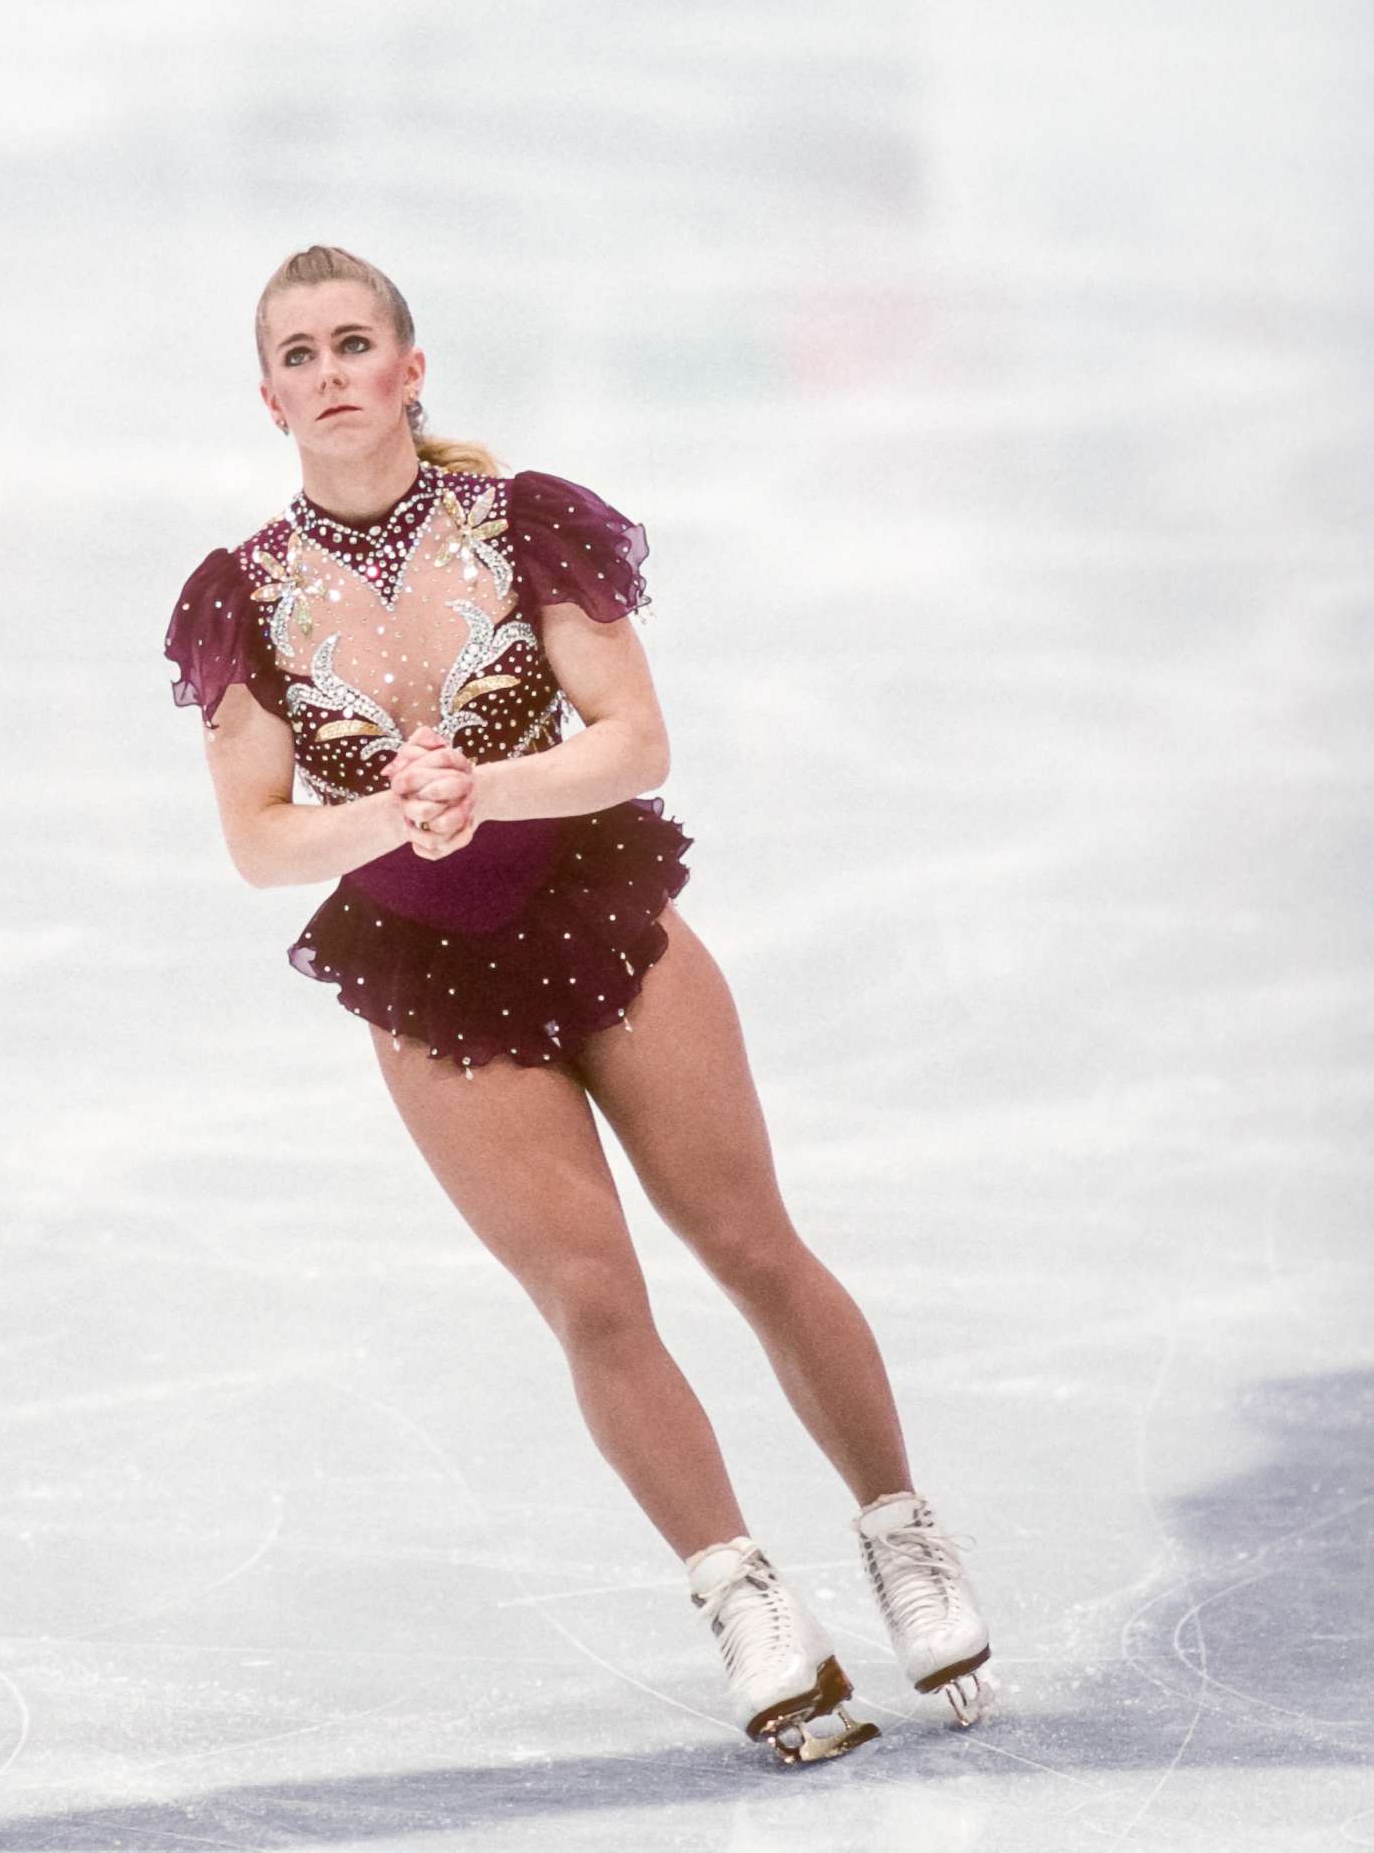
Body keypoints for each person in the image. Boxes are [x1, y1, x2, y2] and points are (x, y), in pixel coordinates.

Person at [164, 242, 991, 1764]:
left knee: (747, 1241)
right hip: (430, 982)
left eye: (358, 343)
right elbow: (259, 841)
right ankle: (744, 1596)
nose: (333, 371)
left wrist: (484, 787)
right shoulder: (241, 601)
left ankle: (902, 1532)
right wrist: (386, 820)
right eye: (301, 354)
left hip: (601, 919)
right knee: (592, 1295)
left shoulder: (521, 524)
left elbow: (635, 740)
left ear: (413, 372)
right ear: (269, 397)